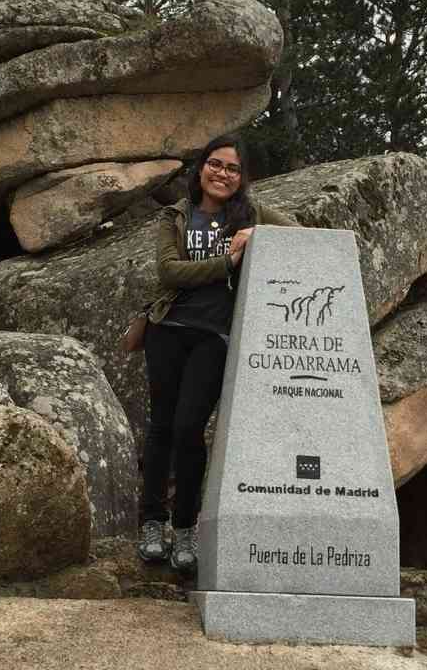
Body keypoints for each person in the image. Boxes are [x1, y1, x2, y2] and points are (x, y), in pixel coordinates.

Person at [137, 133, 298, 574]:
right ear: (201, 168)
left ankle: (186, 529)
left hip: (214, 337)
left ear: (242, 178)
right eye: (215, 164)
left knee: (190, 429)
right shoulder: (176, 215)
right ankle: (153, 523)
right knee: (162, 427)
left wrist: (258, 234)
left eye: (232, 168)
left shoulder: (250, 213)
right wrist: (228, 263)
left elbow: (301, 236)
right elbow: (169, 271)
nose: (222, 173)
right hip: (167, 328)